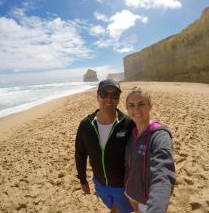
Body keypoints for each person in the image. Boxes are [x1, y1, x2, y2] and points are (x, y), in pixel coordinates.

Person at [75, 79, 134, 213]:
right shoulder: (86, 124)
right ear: (97, 96)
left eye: (114, 95)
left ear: (119, 99)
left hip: (122, 185)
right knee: (112, 207)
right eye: (104, 94)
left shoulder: (128, 124)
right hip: (99, 183)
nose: (109, 98)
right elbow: (80, 153)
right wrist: (83, 180)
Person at [124, 87, 176, 213]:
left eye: (141, 104)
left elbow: (163, 173)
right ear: (127, 109)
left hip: (147, 200)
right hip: (131, 192)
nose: (136, 109)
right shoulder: (131, 133)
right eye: (131, 105)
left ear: (150, 106)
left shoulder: (160, 136)